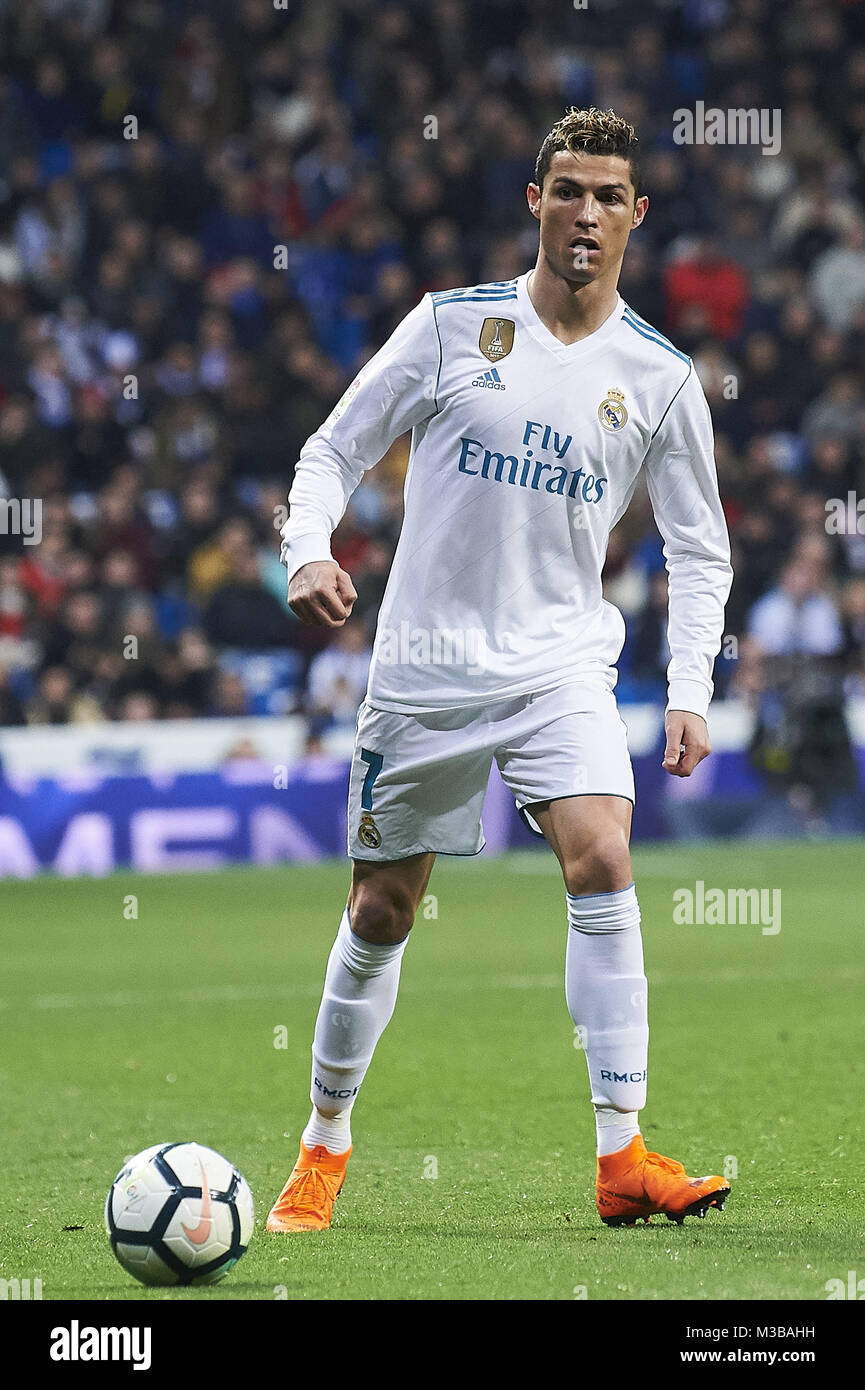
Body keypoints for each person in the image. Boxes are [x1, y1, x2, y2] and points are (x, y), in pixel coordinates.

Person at [269, 107, 734, 1233]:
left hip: (560, 667)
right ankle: (323, 1143)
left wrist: (685, 688)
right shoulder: (448, 328)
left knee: (604, 855)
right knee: (382, 907)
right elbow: (330, 448)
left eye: (608, 195)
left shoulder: (659, 378)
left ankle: (619, 1155)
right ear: (535, 202)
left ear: (635, 215)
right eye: (567, 190)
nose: (586, 213)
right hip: (425, 667)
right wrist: (308, 548)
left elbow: (698, 546)